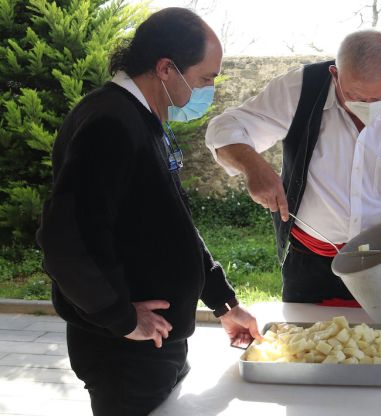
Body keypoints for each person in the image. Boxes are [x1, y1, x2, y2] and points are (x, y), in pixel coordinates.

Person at [35, 8, 261, 416]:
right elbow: (65, 241)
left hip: (158, 343)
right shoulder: (110, 123)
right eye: (205, 77)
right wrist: (120, 317)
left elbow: (171, 224)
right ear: (165, 68)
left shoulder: (141, 117)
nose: (209, 88)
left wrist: (222, 302)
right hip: (124, 352)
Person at [205, 30, 381, 305]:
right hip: (310, 262)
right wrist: (253, 166)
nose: (367, 106)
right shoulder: (301, 89)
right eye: (354, 95)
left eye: (379, 98)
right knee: (306, 345)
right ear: (335, 74)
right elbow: (223, 129)